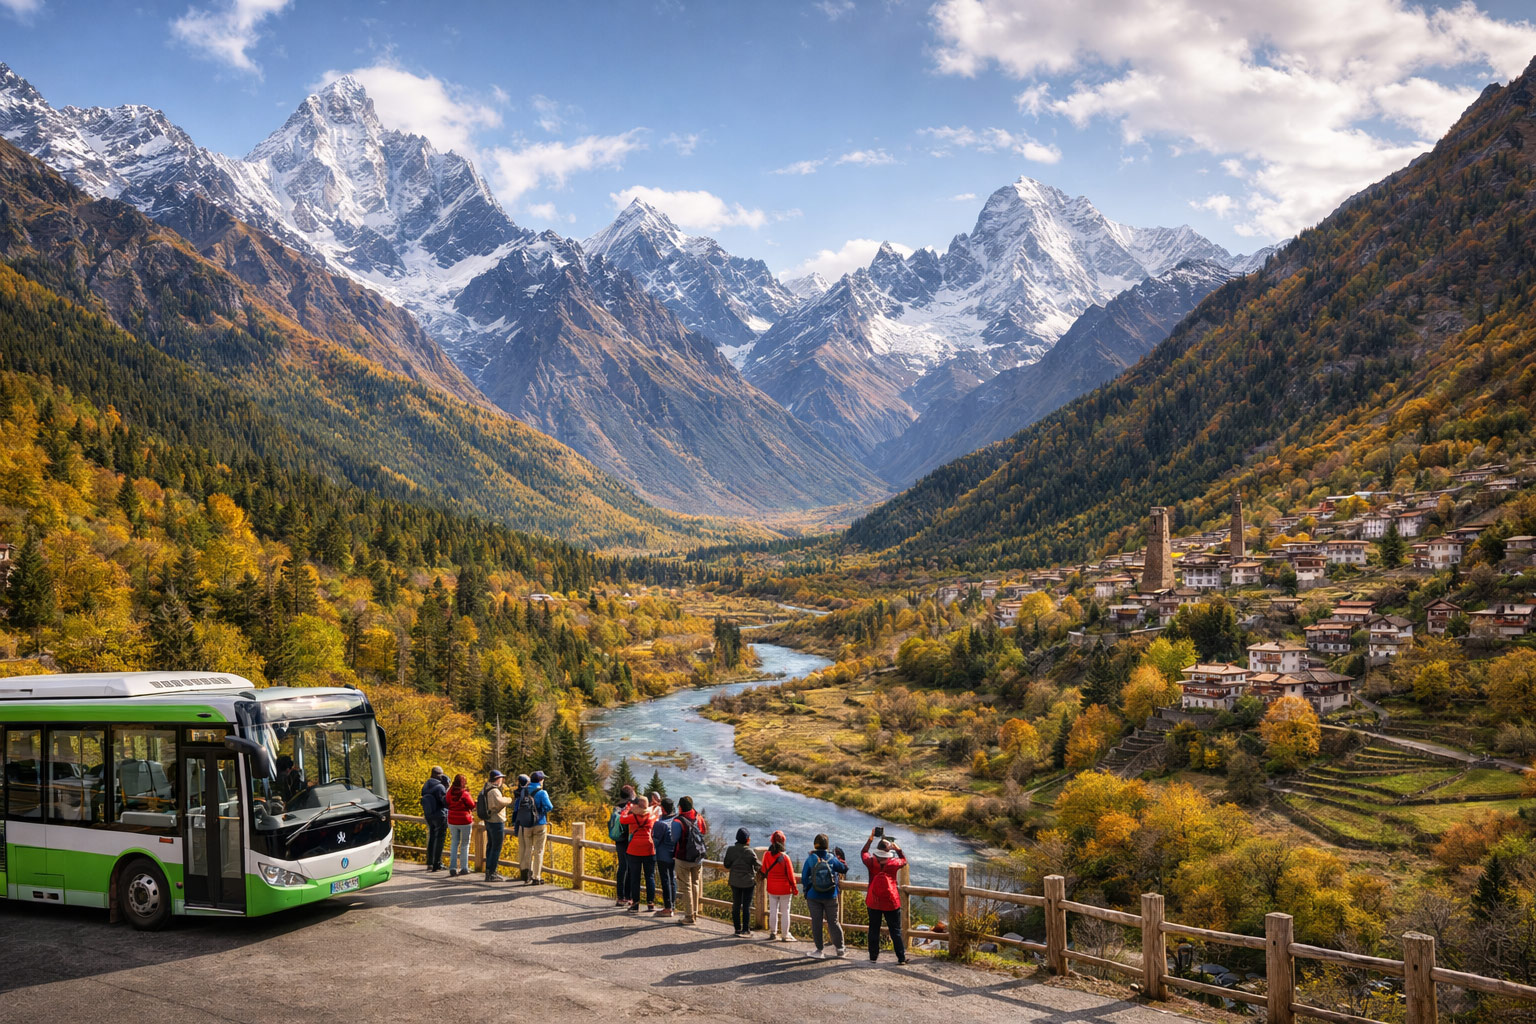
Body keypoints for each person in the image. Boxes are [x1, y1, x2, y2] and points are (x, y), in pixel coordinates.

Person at [862, 829, 907, 965]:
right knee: (895, 931)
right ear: (889, 851)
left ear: (877, 850)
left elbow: (863, 853)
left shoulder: (871, 862)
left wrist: (870, 838)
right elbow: (904, 861)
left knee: (873, 929)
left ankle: (873, 957)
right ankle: (901, 958)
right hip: (891, 901)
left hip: (874, 901)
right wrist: (898, 850)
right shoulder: (894, 863)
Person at [801, 833, 849, 958]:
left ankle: (819, 950)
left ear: (815, 845)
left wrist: (807, 890)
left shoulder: (811, 859)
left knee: (816, 923)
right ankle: (840, 949)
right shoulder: (831, 858)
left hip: (814, 896)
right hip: (831, 895)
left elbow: (804, 877)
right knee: (833, 922)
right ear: (827, 845)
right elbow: (844, 868)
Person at [671, 796, 708, 925]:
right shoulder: (698, 817)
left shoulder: (678, 821)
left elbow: (674, 839)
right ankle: (695, 912)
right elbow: (704, 831)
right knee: (696, 883)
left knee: (686, 887)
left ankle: (689, 915)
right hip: (698, 857)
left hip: (683, 858)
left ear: (680, 807)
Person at [620, 795, 658, 912]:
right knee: (649, 877)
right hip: (648, 848)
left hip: (634, 849)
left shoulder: (632, 817)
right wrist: (655, 805)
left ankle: (635, 903)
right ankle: (650, 903)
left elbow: (622, 819)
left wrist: (627, 808)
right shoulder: (651, 818)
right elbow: (656, 814)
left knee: (635, 878)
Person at [516, 770, 555, 885]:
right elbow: (549, 806)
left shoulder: (524, 791)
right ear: (540, 780)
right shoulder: (542, 793)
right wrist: (540, 812)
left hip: (526, 824)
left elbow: (518, 805)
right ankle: (536, 877)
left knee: (528, 849)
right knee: (538, 851)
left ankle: (526, 874)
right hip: (539, 824)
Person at [761, 830, 798, 942]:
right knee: (785, 911)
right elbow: (791, 875)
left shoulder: (767, 855)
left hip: (772, 887)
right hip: (785, 889)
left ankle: (773, 932)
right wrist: (795, 888)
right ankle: (785, 935)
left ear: (772, 841)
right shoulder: (785, 857)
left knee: (773, 910)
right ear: (783, 841)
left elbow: (764, 870)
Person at [723, 828, 760, 936]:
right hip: (748, 882)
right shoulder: (750, 851)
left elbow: (726, 865)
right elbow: (758, 866)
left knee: (736, 905)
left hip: (734, 881)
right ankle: (745, 929)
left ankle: (737, 928)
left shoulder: (730, 849)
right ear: (747, 840)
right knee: (746, 906)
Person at [479, 770, 511, 881]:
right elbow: (499, 803)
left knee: (490, 846)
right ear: (497, 779)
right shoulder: (494, 791)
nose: (502, 780)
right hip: (496, 821)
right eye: (501, 778)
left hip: (488, 820)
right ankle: (492, 873)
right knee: (496, 848)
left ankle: (488, 870)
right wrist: (509, 799)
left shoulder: (485, 788)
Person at [607, 785, 635, 908]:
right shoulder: (630, 808)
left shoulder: (616, 808)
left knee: (622, 867)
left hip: (619, 841)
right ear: (630, 795)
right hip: (628, 840)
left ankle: (620, 897)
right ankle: (629, 897)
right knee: (629, 868)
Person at [651, 797, 679, 916]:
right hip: (675, 854)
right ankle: (672, 905)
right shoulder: (676, 820)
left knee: (665, 880)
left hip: (663, 855)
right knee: (672, 879)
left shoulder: (660, 824)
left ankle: (668, 908)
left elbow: (655, 840)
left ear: (663, 809)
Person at [444, 773, 475, 877]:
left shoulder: (449, 792)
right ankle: (464, 867)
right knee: (465, 844)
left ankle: (452, 867)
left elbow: (447, 802)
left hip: (452, 820)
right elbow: (472, 804)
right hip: (465, 820)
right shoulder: (465, 794)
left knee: (454, 843)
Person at [420, 766, 449, 872]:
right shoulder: (440, 787)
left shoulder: (425, 786)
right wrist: (446, 787)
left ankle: (430, 862)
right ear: (439, 775)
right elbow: (445, 803)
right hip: (439, 815)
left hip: (428, 815)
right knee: (440, 839)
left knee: (432, 837)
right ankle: (437, 863)